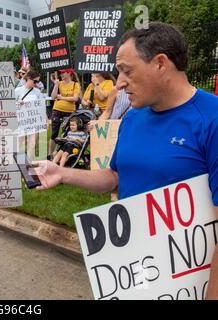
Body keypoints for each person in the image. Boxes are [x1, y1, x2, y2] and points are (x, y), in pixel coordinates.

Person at [34, 22, 218, 299]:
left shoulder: (211, 118)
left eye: (126, 71)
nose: (118, 83)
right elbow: (116, 176)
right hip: (136, 272)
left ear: (160, 63)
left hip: (192, 282)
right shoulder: (132, 115)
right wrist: (62, 173)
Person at [49, 68, 81, 157]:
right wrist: (56, 85)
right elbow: (53, 97)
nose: (61, 74)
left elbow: (75, 99)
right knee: (54, 133)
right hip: (57, 110)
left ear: (69, 73)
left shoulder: (75, 84)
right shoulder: (59, 83)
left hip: (69, 112)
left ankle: (61, 154)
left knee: (66, 133)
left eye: (63, 73)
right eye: (60, 73)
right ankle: (50, 155)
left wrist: (61, 97)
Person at [15, 69, 44, 159]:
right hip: (21, 122)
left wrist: (44, 119)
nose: (36, 83)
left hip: (33, 122)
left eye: (38, 81)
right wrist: (17, 102)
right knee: (20, 143)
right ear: (28, 79)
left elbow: (41, 107)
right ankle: (17, 162)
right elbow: (10, 104)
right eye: (35, 81)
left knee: (32, 144)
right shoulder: (18, 90)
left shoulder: (38, 92)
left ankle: (29, 164)